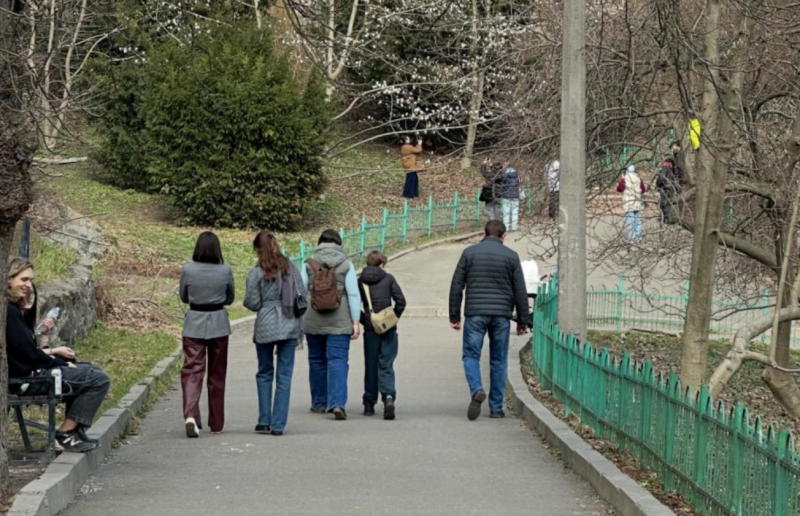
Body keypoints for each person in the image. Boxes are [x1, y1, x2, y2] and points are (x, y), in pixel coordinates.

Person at [6, 257, 111, 453]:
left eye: (30, 281)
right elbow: (29, 355)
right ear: (8, 279)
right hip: (26, 379)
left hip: (31, 373)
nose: (28, 286)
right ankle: (65, 434)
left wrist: (54, 353)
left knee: (89, 370)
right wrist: (57, 363)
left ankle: (75, 431)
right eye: (24, 280)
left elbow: (30, 349)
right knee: (97, 378)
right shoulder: (9, 313)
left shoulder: (16, 313)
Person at [448, 220, 531, 420]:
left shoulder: (469, 253)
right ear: (503, 236)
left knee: (470, 355)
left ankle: (476, 388)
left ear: (484, 234)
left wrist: (454, 316)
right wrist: (523, 321)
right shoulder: (511, 256)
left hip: (475, 313)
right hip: (501, 315)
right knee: (498, 360)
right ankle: (496, 408)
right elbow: (520, 290)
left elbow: (457, 285)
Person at [244, 231, 306, 436]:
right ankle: (278, 424)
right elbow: (302, 293)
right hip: (289, 322)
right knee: (284, 375)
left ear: (257, 249)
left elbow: (252, 303)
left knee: (264, 372)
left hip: (265, 326)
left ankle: (264, 421)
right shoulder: (290, 267)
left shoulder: (255, 273)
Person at [178, 231, 235, 438]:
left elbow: (184, 296)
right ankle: (217, 422)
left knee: (192, 371)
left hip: (194, 322)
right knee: (217, 373)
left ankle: (191, 415)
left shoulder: (188, 270)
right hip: (219, 323)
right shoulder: (225, 270)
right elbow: (230, 297)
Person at [301, 229, 362, 420]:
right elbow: (353, 293)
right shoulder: (346, 264)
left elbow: (301, 290)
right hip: (340, 319)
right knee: (337, 360)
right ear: (339, 243)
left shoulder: (309, 263)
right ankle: (336, 403)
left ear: (319, 243)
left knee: (316, 360)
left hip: (313, 318)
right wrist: (355, 321)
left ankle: (319, 402)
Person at [357, 250, 406, 420]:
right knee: (386, 362)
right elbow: (401, 301)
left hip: (371, 330)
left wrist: (366, 321)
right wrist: (394, 318)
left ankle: (369, 404)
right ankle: (388, 397)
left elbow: (354, 305)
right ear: (382, 265)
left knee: (371, 365)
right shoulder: (388, 278)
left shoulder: (360, 281)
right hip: (389, 329)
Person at [616, 165, 646, 241]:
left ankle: (632, 237)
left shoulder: (625, 179)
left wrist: (622, 179)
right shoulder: (638, 179)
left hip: (629, 202)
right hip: (637, 201)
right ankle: (638, 236)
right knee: (637, 220)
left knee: (630, 220)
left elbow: (619, 189)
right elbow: (643, 189)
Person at [655, 157, 679, 225]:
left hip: (665, 187)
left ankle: (664, 218)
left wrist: (658, 184)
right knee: (668, 202)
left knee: (664, 202)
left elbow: (662, 177)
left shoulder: (665, 166)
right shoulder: (673, 167)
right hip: (671, 187)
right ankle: (666, 217)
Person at [502, 167, 521, 231]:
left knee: (506, 213)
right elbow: (519, 185)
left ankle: (506, 227)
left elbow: (501, 183)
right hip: (515, 196)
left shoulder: (504, 176)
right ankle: (514, 227)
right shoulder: (517, 177)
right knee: (515, 212)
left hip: (506, 196)